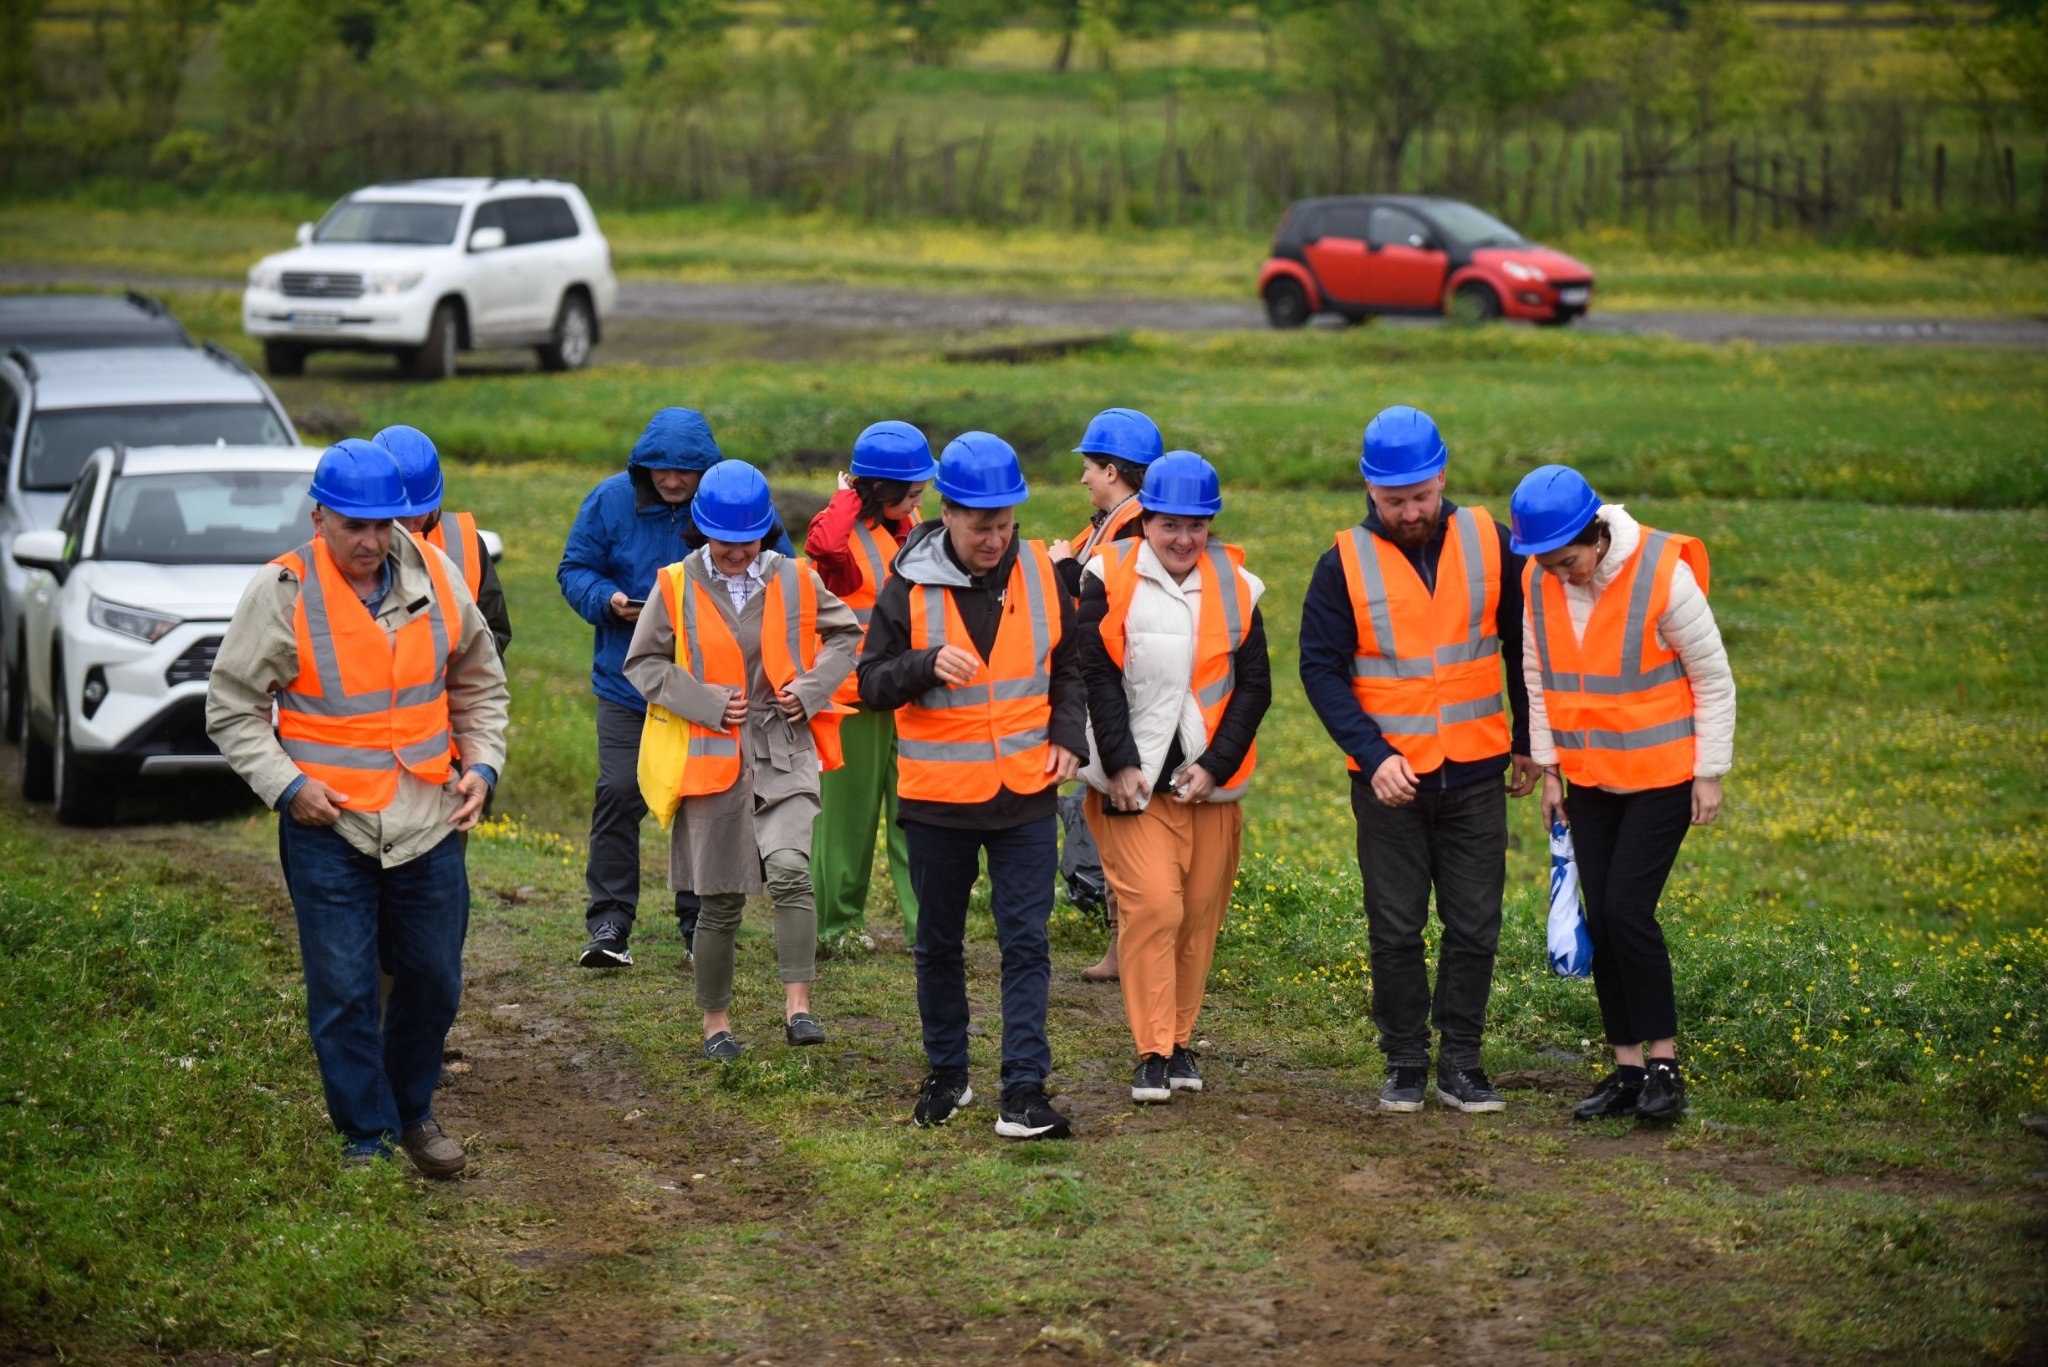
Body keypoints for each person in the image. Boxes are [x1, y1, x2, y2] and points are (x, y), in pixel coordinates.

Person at [205, 439, 508, 1174]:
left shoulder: (436, 574)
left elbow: (478, 682)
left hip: (428, 818)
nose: (371, 542)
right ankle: (365, 1137)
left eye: (382, 524)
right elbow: (233, 708)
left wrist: (482, 764)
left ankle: (412, 1112)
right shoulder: (282, 590)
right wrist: (289, 787)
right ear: (320, 519)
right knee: (344, 989)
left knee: (433, 979)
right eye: (353, 527)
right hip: (328, 825)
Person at [1299, 405, 1539, 1115]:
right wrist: (1372, 755)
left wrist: (1529, 738)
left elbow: (1524, 645)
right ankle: (1405, 1060)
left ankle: (1462, 1062)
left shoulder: (1492, 542)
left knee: (1475, 925)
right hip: (1390, 782)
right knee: (1396, 926)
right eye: (1395, 500)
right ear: (1370, 489)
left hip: (1477, 771)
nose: (1410, 512)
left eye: (1421, 497)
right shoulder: (1342, 562)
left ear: (1442, 478)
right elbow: (1320, 670)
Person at [856, 432, 1087, 1140]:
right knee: (937, 944)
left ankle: (1023, 1090)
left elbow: (1070, 664)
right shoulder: (908, 583)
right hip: (938, 801)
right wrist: (923, 664)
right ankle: (948, 1073)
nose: (995, 539)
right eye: (981, 525)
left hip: (1025, 794)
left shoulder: (1042, 571)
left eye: (1005, 524)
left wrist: (1068, 735)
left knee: (1027, 942)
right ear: (948, 513)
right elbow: (869, 683)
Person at [1510, 464, 1735, 1124]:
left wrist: (1709, 771)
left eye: (1569, 561)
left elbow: (1713, 677)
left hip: (1663, 776)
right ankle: (1628, 1071)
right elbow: (1538, 675)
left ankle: (1666, 1070)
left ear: (1598, 535)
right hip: (1588, 778)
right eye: (1547, 564)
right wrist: (1552, 770)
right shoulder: (1539, 580)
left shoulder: (1664, 573)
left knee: (1627, 912)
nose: (1560, 574)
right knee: (1603, 920)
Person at [624, 460, 860, 1059]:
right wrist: (704, 702)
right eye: (724, 541)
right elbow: (642, 664)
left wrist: (810, 691)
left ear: (765, 531)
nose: (736, 553)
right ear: (702, 530)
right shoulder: (673, 585)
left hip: (784, 749)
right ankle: (716, 1026)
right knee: (721, 900)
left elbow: (846, 635)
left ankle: (799, 1009)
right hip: (711, 762)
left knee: (791, 871)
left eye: (747, 541)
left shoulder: (796, 577)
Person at [557, 407, 792, 969]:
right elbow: (574, 569)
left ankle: (699, 925)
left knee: (703, 802)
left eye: (684, 471)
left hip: (710, 696)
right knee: (618, 793)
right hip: (628, 687)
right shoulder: (609, 500)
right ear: (642, 465)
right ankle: (609, 923)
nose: (671, 479)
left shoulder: (733, 498)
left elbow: (780, 568)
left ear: (705, 470)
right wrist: (607, 600)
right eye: (659, 468)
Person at [1076, 451, 1271, 1105]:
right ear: (1147, 520)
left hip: (1209, 787)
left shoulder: (1239, 586)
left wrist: (1216, 765)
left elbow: (1254, 687)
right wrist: (1121, 761)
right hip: (1132, 785)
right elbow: (1095, 673)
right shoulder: (1107, 575)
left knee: (1196, 919)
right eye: (1170, 525)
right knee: (1156, 906)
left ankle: (1181, 1039)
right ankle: (1153, 1050)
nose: (1184, 539)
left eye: (1197, 525)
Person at [803, 420, 936, 954]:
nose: (920, 502)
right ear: (880, 489)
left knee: (917, 814)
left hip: (906, 692)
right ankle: (837, 927)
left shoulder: (909, 525)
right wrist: (845, 499)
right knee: (846, 822)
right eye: (913, 493)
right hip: (851, 700)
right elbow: (823, 544)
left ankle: (927, 927)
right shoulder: (838, 532)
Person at [1047, 406, 1165, 984]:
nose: (1084, 478)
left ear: (1113, 471)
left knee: (1122, 819)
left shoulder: (1133, 528)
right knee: (1107, 815)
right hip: (1105, 684)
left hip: (1118, 691)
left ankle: (1132, 946)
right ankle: (1122, 947)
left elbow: (1112, 605)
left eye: (1089, 468)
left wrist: (1063, 567)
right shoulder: (1116, 522)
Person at [373, 424, 512, 657]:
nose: (407, 528)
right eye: (397, 517)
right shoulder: (345, 545)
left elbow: (493, 631)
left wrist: (461, 668)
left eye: (416, 515)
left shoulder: (464, 541)